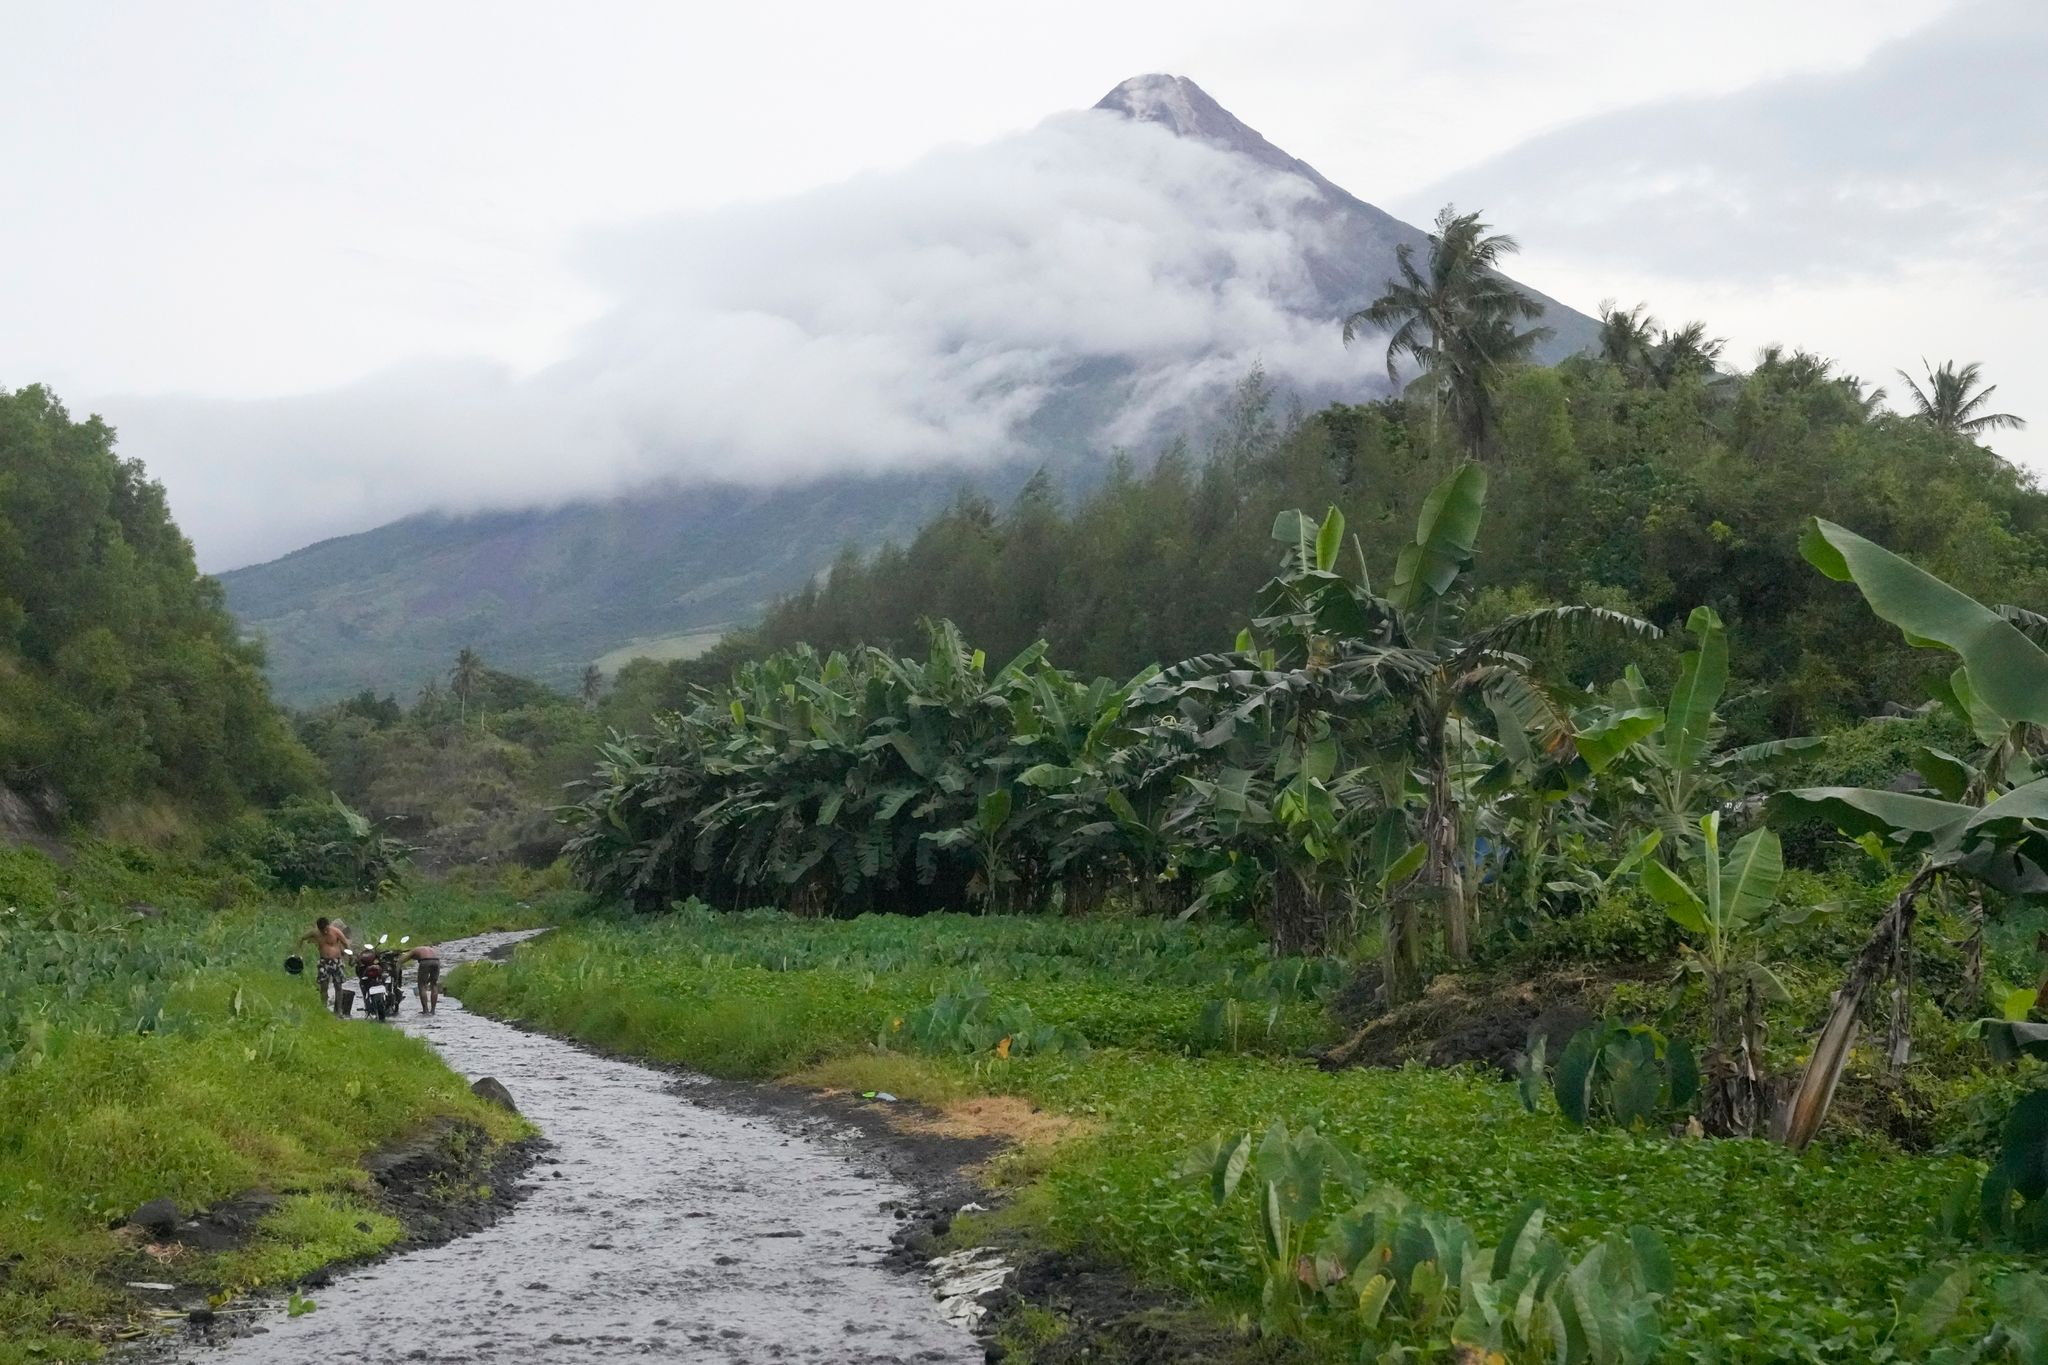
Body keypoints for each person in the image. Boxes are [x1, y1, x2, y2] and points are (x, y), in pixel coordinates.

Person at [297, 916, 351, 1010]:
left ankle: (339, 1011)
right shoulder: (315, 933)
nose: (325, 932)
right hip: (324, 962)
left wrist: (350, 957)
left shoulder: (336, 931)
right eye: (322, 930)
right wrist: (297, 953)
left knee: (338, 985)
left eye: (326, 929)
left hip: (336, 961)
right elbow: (302, 938)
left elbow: (346, 944)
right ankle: (324, 1009)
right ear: (319, 928)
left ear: (329, 925)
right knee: (324, 986)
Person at [401, 942, 443, 1014]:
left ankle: (425, 1010)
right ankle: (433, 1011)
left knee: (421, 986)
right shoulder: (431, 949)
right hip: (436, 961)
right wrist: (428, 980)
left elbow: (401, 961)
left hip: (425, 961)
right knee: (434, 984)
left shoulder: (414, 951)